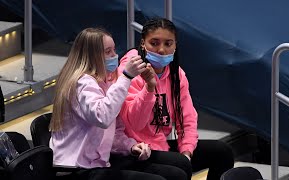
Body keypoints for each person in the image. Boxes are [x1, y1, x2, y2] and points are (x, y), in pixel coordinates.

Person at [49, 28, 188, 180]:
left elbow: (113, 132)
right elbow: (102, 117)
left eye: (114, 50)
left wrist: (131, 146)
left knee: (177, 171)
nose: (114, 55)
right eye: (108, 51)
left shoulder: (105, 82)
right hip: (76, 170)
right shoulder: (80, 83)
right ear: (92, 56)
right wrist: (126, 77)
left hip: (99, 163)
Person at [118, 18, 234, 180]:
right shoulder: (129, 71)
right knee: (178, 168)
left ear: (175, 46)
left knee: (222, 152)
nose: (161, 50)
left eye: (168, 44)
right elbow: (135, 123)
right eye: (154, 43)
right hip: (135, 148)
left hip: (160, 145)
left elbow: (187, 119)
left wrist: (186, 151)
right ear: (143, 43)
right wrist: (149, 88)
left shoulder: (176, 74)